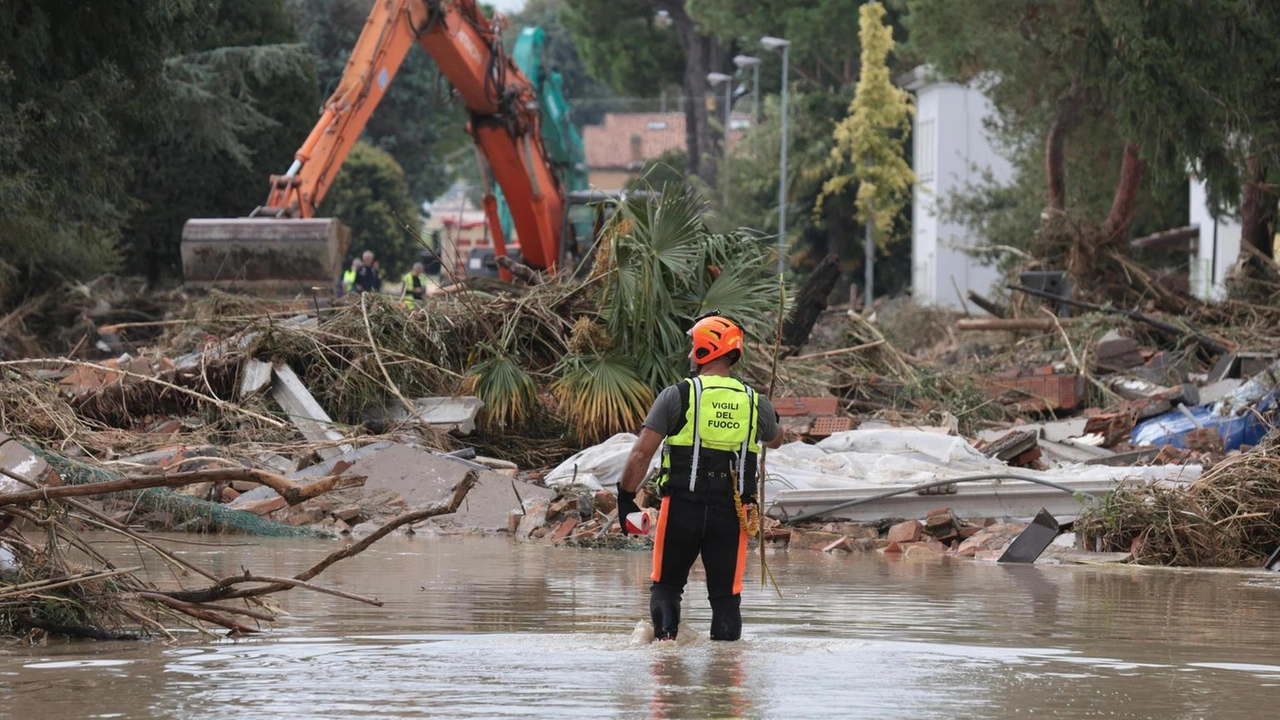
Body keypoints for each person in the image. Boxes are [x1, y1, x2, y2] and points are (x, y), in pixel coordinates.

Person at [616, 313, 783, 642]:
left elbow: (640, 454)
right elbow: (775, 440)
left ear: (707, 350)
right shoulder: (755, 402)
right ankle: (724, 678)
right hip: (732, 516)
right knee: (725, 599)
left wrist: (625, 497)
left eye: (695, 347)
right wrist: (771, 414)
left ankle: (664, 658)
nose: (691, 354)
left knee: (666, 587)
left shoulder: (677, 395)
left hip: (682, 510)